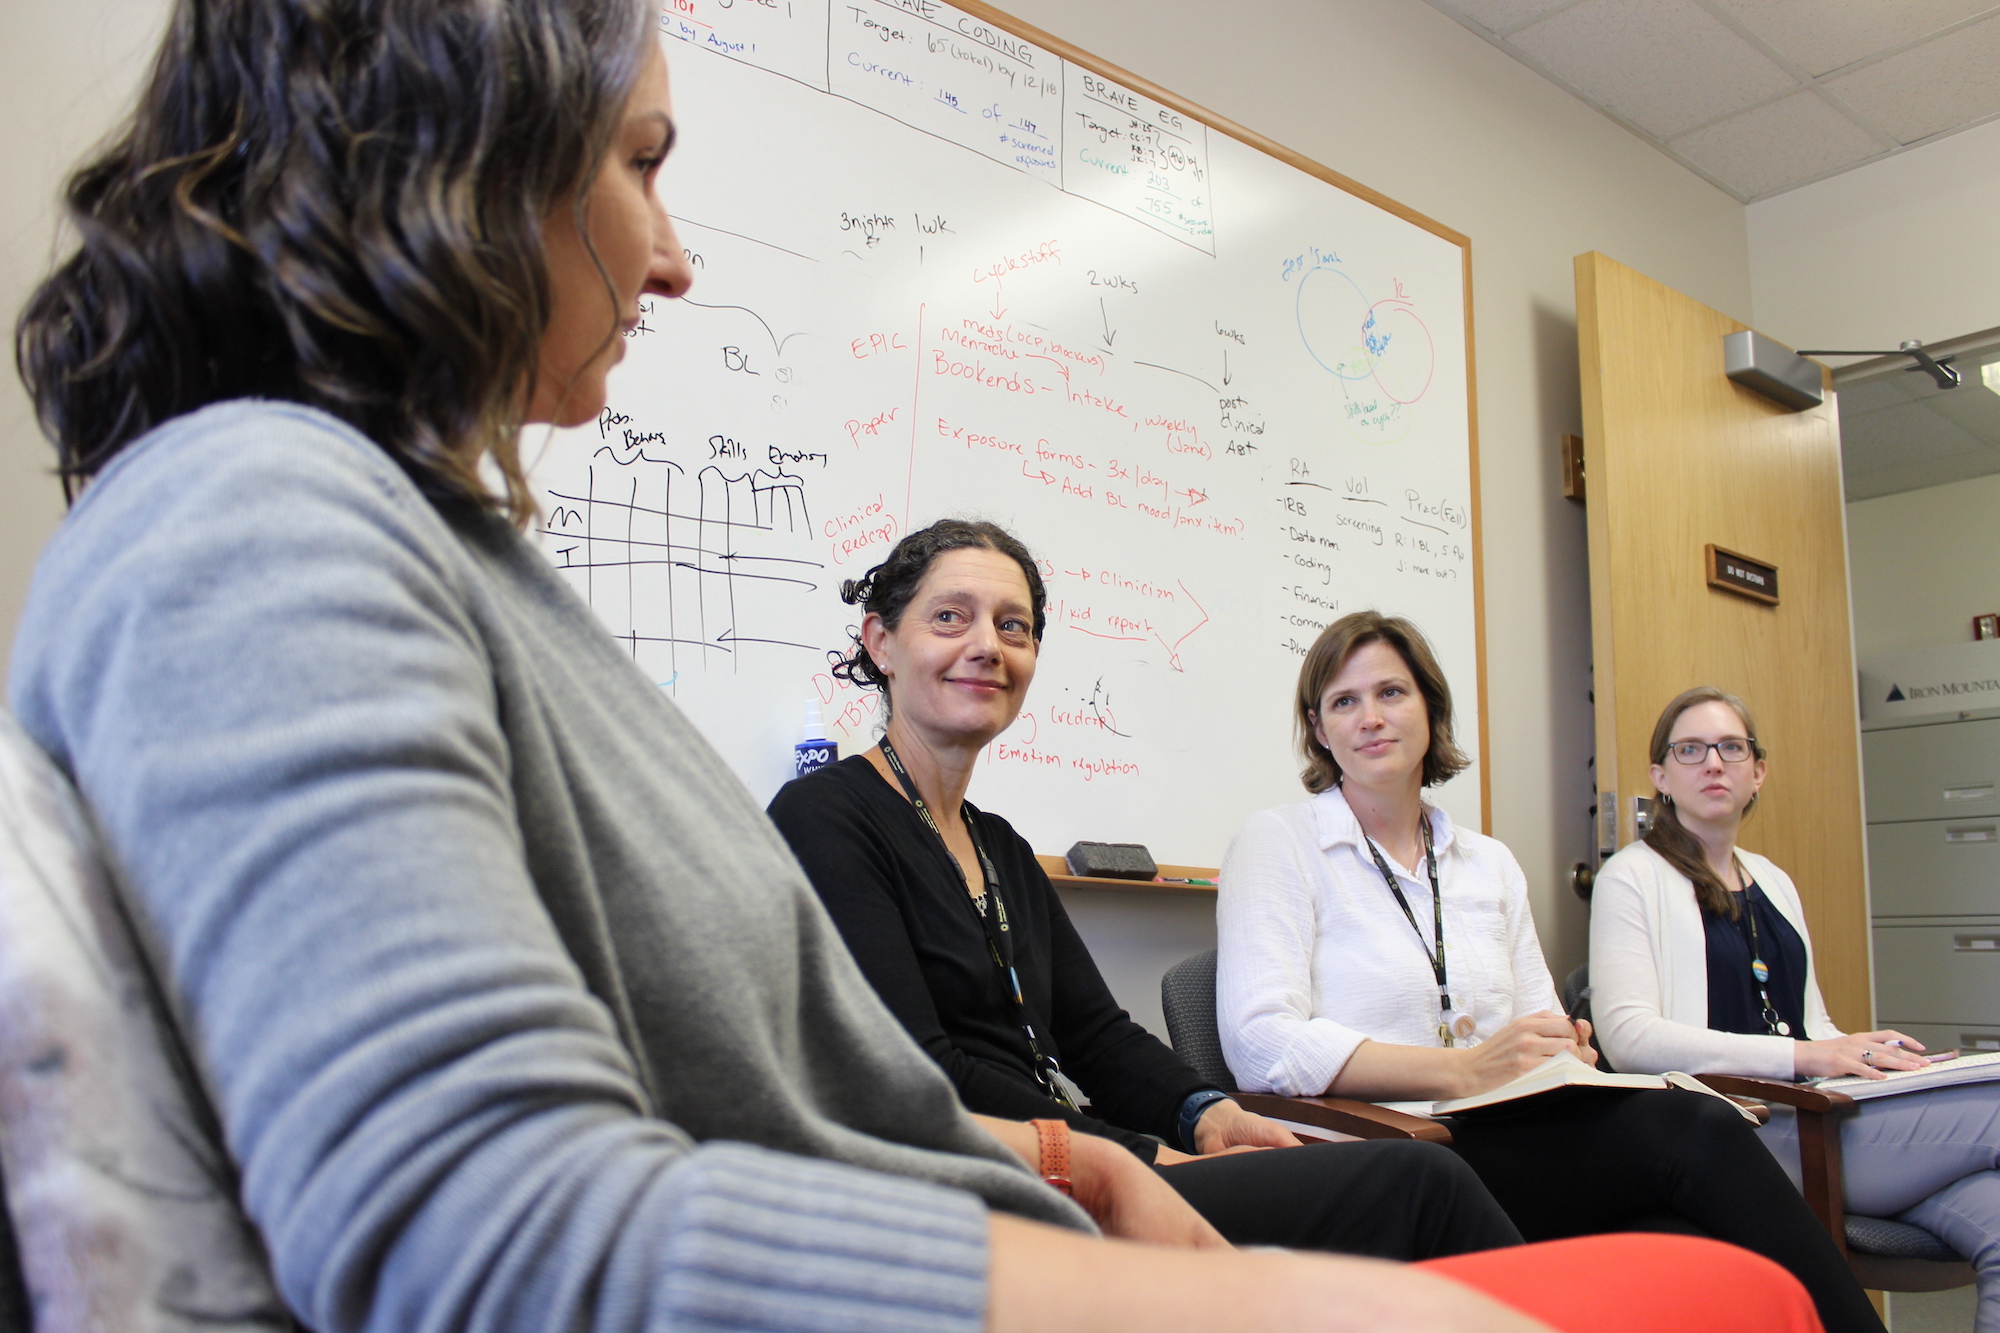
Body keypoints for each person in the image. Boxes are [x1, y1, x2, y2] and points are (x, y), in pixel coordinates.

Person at [0, 0, 1827, 1328]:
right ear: (456, 168)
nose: (677, 254)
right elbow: (483, 1229)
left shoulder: (429, 554)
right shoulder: (254, 521)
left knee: (1675, 1219)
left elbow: (760, 1084)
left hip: (1013, 1204)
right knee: (1681, 1286)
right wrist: (1258, 1303)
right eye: (638, 164)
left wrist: (1060, 1153)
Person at [768, 521, 1522, 1263]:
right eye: (948, 617)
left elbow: (1099, 1036)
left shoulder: (998, 845)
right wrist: (1140, 1159)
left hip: (1079, 1159)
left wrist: (1206, 1113)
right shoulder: (825, 816)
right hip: (974, 1187)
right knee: (1420, 1186)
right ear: (880, 643)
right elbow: (915, 1072)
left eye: (1014, 626)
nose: (987, 645)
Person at [1216, 611, 1885, 1333]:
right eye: (1344, 702)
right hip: (1386, 1152)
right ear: (1319, 728)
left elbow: (1534, 1018)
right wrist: (1462, 1069)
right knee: (1694, 1128)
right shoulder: (1279, 841)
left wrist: (1563, 1050)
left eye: (1391, 693)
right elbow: (1264, 1042)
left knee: (1682, 1232)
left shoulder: (1488, 863)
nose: (1370, 717)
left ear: (1430, 709)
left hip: (1498, 1135)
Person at [1591, 686, 2000, 1329]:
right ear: (1661, 777)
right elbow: (1629, 1039)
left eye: (1732, 747)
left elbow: (1812, 1028)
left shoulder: (1772, 879)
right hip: (1741, 1133)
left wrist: (1868, 1056)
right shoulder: (1632, 877)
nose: (1713, 763)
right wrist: (1811, 1054)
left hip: (1818, 1111)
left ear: (1758, 772)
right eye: (1690, 749)